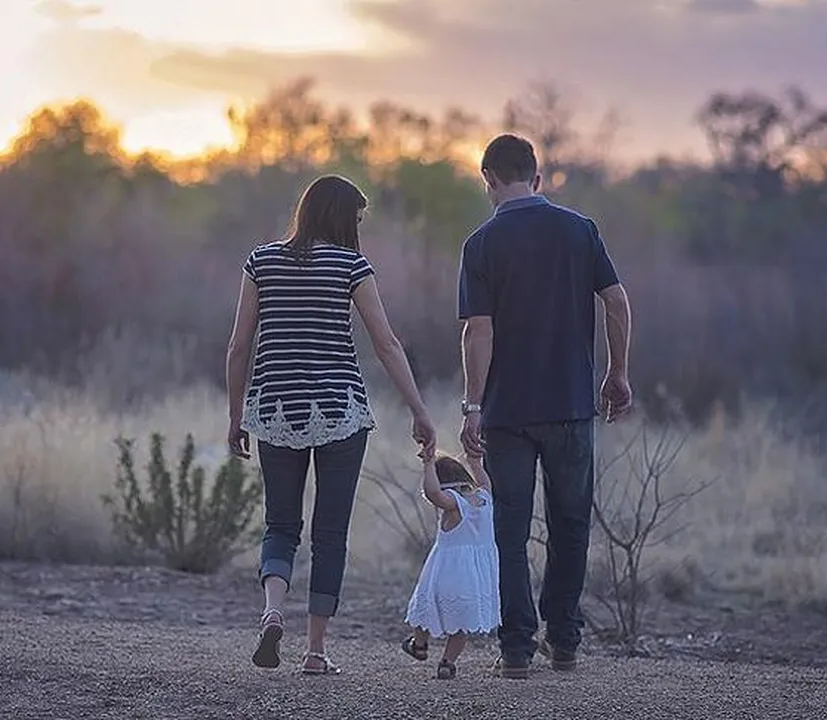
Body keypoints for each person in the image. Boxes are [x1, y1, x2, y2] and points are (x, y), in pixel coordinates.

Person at [225, 174, 436, 676]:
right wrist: (419, 410)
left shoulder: (261, 261)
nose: (358, 229)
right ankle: (315, 651)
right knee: (330, 533)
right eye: (357, 219)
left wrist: (236, 416)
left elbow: (238, 346)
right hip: (340, 411)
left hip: (275, 411)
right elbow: (386, 345)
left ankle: (273, 611)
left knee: (280, 524)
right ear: (342, 218)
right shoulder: (351, 265)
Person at [456, 134, 633, 679]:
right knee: (571, 524)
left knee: (509, 530)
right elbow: (617, 301)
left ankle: (516, 649)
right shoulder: (580, 231)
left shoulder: (481, 244)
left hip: (508, 413)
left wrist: (472, 405)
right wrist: (617, 372)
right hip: (571, 406)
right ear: (537, 177)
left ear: (487, 179)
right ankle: (564, 640)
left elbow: (477, 332)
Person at [401, 451, 500, 680]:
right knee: (461, 623)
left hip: (446, 573)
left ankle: (420, 644)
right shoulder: (484, 497)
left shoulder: (454, 504)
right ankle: (447, 663)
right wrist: (475, 462)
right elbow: (484, 480)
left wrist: (427, 465)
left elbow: (433, 493)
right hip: (475, 577)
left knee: (424, 608)